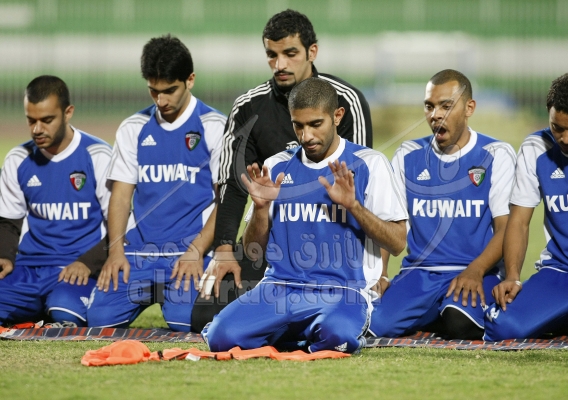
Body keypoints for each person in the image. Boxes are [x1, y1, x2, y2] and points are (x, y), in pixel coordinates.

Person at [192, 9, 374, 331]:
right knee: (204, 316)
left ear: (312, 51)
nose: (280, 65)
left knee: (329, 326)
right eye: (272, 55)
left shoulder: (346, 101)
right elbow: (233, 186)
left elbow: (362, 186)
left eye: (290, 54)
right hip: (269, 245)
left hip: (332, 251)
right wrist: (224, 249)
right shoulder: (248, 107)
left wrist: (378, 271)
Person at [204, 77, 406, 353]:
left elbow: (397, 243)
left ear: (337, 116)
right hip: (278, 288)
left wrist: (354, 207)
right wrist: (261, 209)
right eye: (298, 125)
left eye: (315, 124)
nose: (306, 136)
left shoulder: (370, 164)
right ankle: (301, 338)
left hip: (343, 293)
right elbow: (253, 252)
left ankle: (291, 337)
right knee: (220, 337)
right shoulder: (277, 166)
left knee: (338, 338)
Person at [87, 35, 225, 332]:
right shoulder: (133, 128)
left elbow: (226, 200)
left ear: (190, 80)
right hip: (138, 254)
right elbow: (120, 197)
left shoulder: (214, 126)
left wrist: (197, 250)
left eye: (169, 90)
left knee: (185, 321)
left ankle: (174, 297)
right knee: (99, 321)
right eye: (154, 91)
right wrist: (115, 252)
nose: (161, 100)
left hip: (188, 253)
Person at [369, 69, 517, 340]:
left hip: (475, 271)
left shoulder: (497, 154)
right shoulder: (407, 155)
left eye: (446, 106)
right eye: (429, 106)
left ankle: (444, 311)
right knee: (374, 325)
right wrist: (381, 273)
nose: (436, 114)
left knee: (459, 324)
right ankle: (432, 309)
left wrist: (477, 269)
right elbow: (391, 223)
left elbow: (506, 229)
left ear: (469, 108)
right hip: (419, 273)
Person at [484, 71, 568, 341]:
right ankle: (566, 314)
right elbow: (519, 221)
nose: (566, 138)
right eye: (557, 127)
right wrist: (512, 277)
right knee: (503, 328)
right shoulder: (535, 147)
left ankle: (565, 317)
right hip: (559, 272)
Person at [0, 75, 111, 327]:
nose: (37, 129)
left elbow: (121, 226)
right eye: (31, 121)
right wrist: (4, 255)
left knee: (64, 312)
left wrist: (88, 262)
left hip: (77, 270)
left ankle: (48, 307)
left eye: (47, 120)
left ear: (68, 112)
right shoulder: (18, 158)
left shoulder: (98, 155)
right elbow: (9, 222)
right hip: (28, 269)